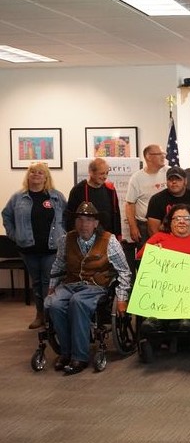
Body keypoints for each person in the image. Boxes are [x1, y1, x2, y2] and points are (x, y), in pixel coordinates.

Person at [45, 202, 131, 375]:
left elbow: (124, 272)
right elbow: (58, 265)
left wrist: (121, 298)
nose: (84, 224)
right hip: (70, 284)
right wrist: (51, 288)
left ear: (96, 223)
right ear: (75, 222)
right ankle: (66, 352)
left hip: (96, 286)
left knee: (78, 302)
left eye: (89, 220)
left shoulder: (109, 240)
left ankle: (80, 357)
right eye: (80, 219)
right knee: (54, 304)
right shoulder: (66, 240)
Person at [135, 203, 190, 336]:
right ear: (169, 222)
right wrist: (153, 251)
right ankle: (156, 318)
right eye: (176, 218)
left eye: (186, 218)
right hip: (165, 288)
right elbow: (139, 256)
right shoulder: (159, 237)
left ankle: (188, 318)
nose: (181, 221)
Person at [2, 163, 67, 329]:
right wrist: (14, 235)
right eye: (33, 172)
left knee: (49, 281)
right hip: (28, 249)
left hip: (52, 249)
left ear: (46, 177)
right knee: (37, 283)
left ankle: (50, 315)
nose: (36, 175)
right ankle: (40, 314)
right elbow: (6, 215)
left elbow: (67, 217)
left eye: (40, 172)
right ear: (28, 175)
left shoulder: (56, 197)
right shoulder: (18, 197)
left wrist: (63, 234)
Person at [66, 157, 122, 236]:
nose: (105, 177)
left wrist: (118, 236)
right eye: (102, 173)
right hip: (85, 237)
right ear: (91, 172)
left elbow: (116, 215)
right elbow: (70, 218)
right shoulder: (78, 190)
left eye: (107, 173)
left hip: (107, 237)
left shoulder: (110, 190)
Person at [125, 144, 167, 247]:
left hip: (167, 224)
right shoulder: (137, 178)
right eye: (159, 154)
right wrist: (133, 227)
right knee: (146, 258)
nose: (163, 157)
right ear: (148, 157)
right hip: (144, 226)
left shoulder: (169, 172)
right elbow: (130, 204)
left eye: (164, 154)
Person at [145, 166, 190, 237]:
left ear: (185, 181)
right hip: (165, 240)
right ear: (166, 182)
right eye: (170, 179)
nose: (174, 182)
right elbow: (153, 229)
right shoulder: (156, 199)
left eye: (178, 179)